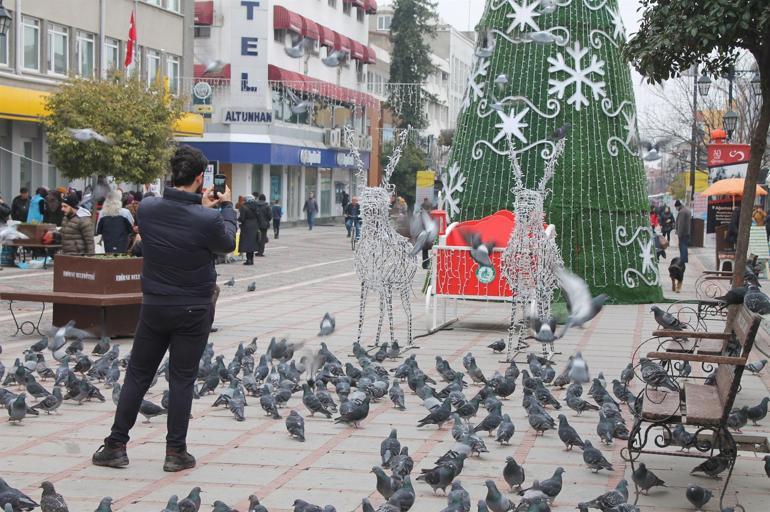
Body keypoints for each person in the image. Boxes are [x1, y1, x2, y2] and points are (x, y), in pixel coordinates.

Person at [93, 145, 235, 472]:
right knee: (182, 379)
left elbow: (175, 214)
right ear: (201, 178)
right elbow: (227, 241)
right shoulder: (208, 218)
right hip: (193, 309)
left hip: (155, 305)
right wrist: (226, 206)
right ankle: (175, 453)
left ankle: (115, 445)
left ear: (173, 172)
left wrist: (199, 204)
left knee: (138, 376)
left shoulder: (148, 208)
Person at [238, 195, 259, 265]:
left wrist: (238, 219)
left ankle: (248, 260)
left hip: (246, 226)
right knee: (252, 243)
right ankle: (251, 259)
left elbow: (242, 218)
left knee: (247, 243)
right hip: (254, 226)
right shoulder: (256, 206)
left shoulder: (244, 207)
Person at [674, 199, 691, 264]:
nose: (676, 209)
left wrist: (679, 233)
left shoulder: (682, 212)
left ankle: (683, 258)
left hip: (683, 232)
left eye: (676, 207)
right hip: (687, 232)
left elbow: (681, 223)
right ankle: (685, 258)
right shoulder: (686, 210)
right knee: (684, 245)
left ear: (678, 206)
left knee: (682, 245)